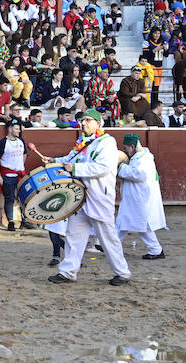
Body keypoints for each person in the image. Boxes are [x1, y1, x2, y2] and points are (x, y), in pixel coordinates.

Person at [47, 110, 131, 286]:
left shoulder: (106, 142)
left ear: (98, 124)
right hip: (81, 196)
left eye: (88, 120)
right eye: (83, 120)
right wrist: (54, 161)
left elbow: (103, 167)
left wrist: (75, 170)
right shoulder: (83, 142)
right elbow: (71, 159)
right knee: (73, 234)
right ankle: (68, 271)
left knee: (107, 237)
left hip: (99, 196)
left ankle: (122, 272)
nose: (83, 123)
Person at [115, 133, 168, 260]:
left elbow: (138, 175)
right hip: (135, 197)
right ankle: (112, 246)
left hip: (140, 198)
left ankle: (111, 246)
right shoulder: (140, 157)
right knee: (127, 223)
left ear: (132, 147)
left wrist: (120, 167)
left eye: (126, 148)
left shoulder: (142, 159)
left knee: (135, 224)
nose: (125, 150)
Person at [0, 119, 30, 230]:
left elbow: (25, 154)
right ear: (10, 129)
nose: (19, 131)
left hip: (19, 174)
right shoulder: (3, 143)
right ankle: (11, 222)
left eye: (19, 128)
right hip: (8, 175)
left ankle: (25, 220)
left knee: (23, 197)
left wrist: (20, 166)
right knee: (9, 198)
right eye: (17, 128)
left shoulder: (21, 141)